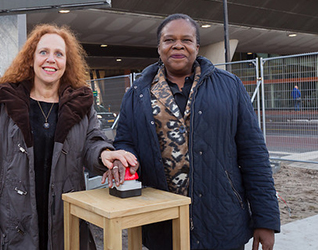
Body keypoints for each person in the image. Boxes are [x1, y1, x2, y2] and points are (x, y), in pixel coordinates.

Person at [102, 14, 280, 250]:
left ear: (197, 46)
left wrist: (265, 219)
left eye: (186, 39)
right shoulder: (138, 93)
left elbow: (254, 155)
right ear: (159, 48)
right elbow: (125, 141)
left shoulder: (229, 86)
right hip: (161, 224)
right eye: (169, 40)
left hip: (222, 223)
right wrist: (123, 160)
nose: (177, 45)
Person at [0, 24, 137, 250]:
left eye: (59, 54)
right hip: (14, 225)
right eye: (43, 52)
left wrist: (104, 154)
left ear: (67, 63)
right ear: (31, 58)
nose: (51, 59)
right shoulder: (4, 102)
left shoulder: (81, 105)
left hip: (66, 222)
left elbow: (92, 142)